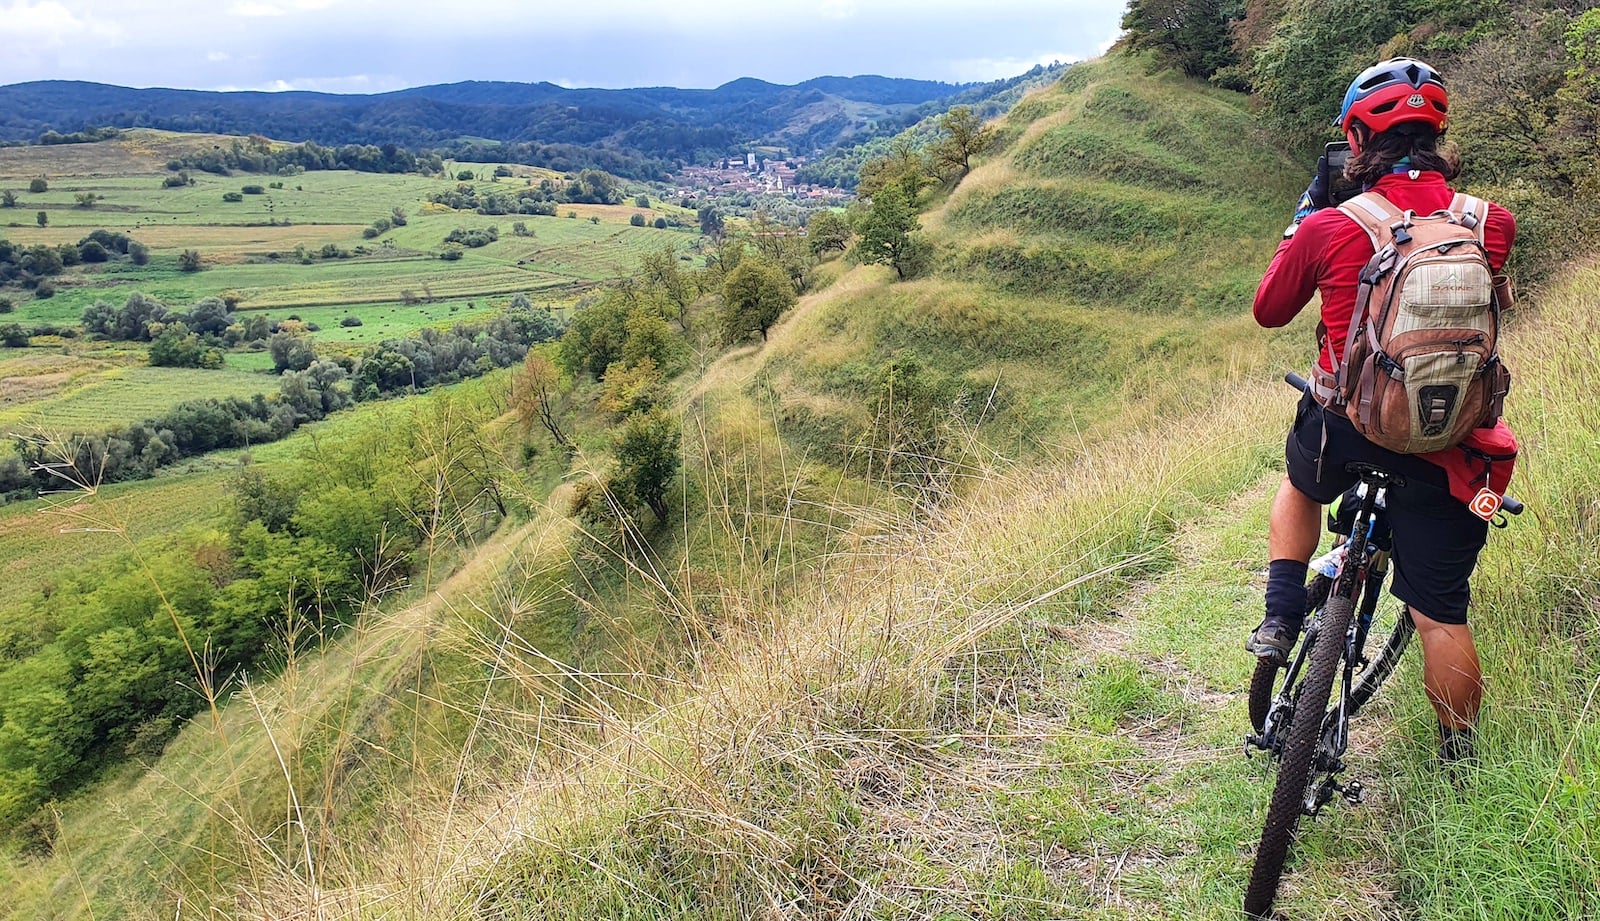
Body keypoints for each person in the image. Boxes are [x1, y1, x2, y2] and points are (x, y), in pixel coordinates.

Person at [1248, 58, 1517, 762]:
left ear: (1357, 139)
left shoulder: (1332, 225)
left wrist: (1306, 215)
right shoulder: (1491, 225)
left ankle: (1280, 615)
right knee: (1440, 616)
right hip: (1448, 447)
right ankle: (1459, 764)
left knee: (1299, 480)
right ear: (1439, 132)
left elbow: (1268, 309)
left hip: (1349, 430)